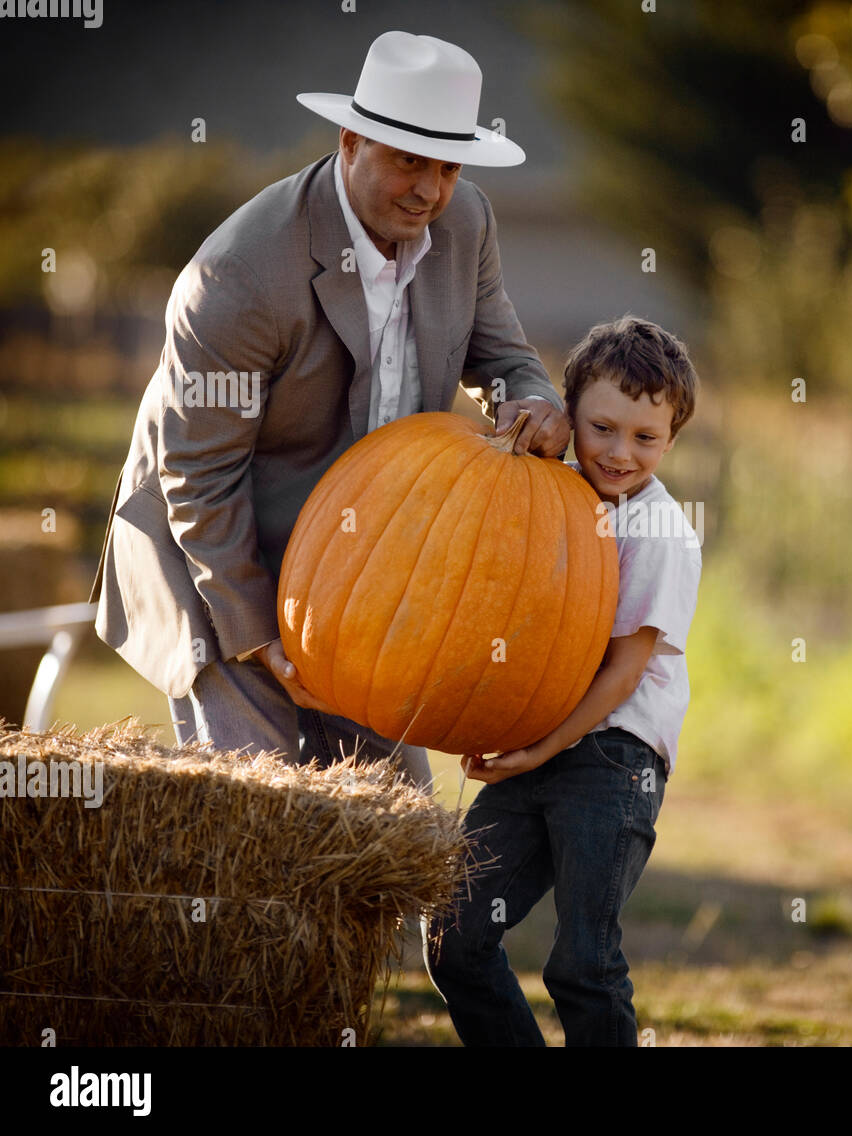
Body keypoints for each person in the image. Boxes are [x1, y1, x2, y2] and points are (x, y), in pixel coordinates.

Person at [89, 31, 569, 782]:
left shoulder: (465, 223)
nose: (429, 190)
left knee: (392, 806)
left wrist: (535, 403)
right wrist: (259, 637)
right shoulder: (241, 275)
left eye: (447, 166)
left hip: (366, 573)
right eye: (409, 160)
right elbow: (199, 476)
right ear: (353, 141)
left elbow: (502, 357)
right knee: (261, 813)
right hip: (220, 554)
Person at [425, 315, 702, 1046]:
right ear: (568, 413)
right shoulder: (553, 496)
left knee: (583, 963)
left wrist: (542, 748)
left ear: (670, 440)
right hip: (536, 741)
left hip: (613, 761)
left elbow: (623, 671)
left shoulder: (659, 532)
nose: (619, 452)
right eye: (602, 428)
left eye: (645, 438)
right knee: (453, 934)